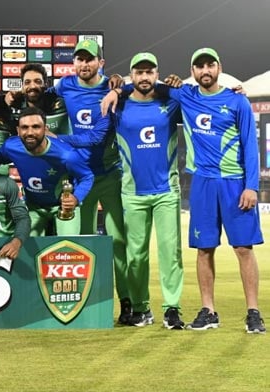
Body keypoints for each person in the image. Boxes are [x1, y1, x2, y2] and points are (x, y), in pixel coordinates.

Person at [105, 48, 264, 333]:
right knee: (204, 250)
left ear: (219, 68)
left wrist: (251, 185)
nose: (205, 71)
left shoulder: (237, 101)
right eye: (199, 66)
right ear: (192, 71)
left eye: (210, 65)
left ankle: (253, 312)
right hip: (202, 181)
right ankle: (208, 311)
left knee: (243, 248)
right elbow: (148, 84)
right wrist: (118, 88)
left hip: (234, 181)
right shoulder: (186, 96)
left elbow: (250, 146)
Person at [51, 39, 130, 324]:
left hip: (111, 176)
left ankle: (128, 304)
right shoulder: (65, 85)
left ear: (101, 62)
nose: (84, 64)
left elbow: (143, 86)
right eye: (79, 59)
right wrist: (10, 98)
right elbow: (40, 96)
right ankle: (84, 306)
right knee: (78, 244)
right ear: (74, 63)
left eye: (90, 59)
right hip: (80, 178)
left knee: (119, 242)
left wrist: (119, 89)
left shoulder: (112, 86)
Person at [112, 53, 184, 329]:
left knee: (170, 252)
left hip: (166, 190)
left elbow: (198, 98)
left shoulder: (171, 102)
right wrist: (119, 89)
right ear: (132, 75)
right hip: (132, 192)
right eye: (138, 73)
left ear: (157, 74)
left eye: (149, 72)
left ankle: (172, 308)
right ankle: (142, 308)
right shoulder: (118, 105)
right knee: (135, 257)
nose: (144, 77)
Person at [0, 107, 94, 236]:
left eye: (36, 127)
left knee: (69, 249)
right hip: (34, 207)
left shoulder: (66, 154)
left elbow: (87, 177)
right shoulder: (11, 146)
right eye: (25, 127)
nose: (30, 132)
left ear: (45, 129)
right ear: (18, 131)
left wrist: (76, 198)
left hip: (63, 206)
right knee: (25, 247)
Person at [5, 63, 70, 135]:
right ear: (22, 86)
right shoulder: (14, 106)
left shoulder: (62, 103)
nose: (32, 86)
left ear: (46, 84)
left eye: (37, 81)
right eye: (27, 82)